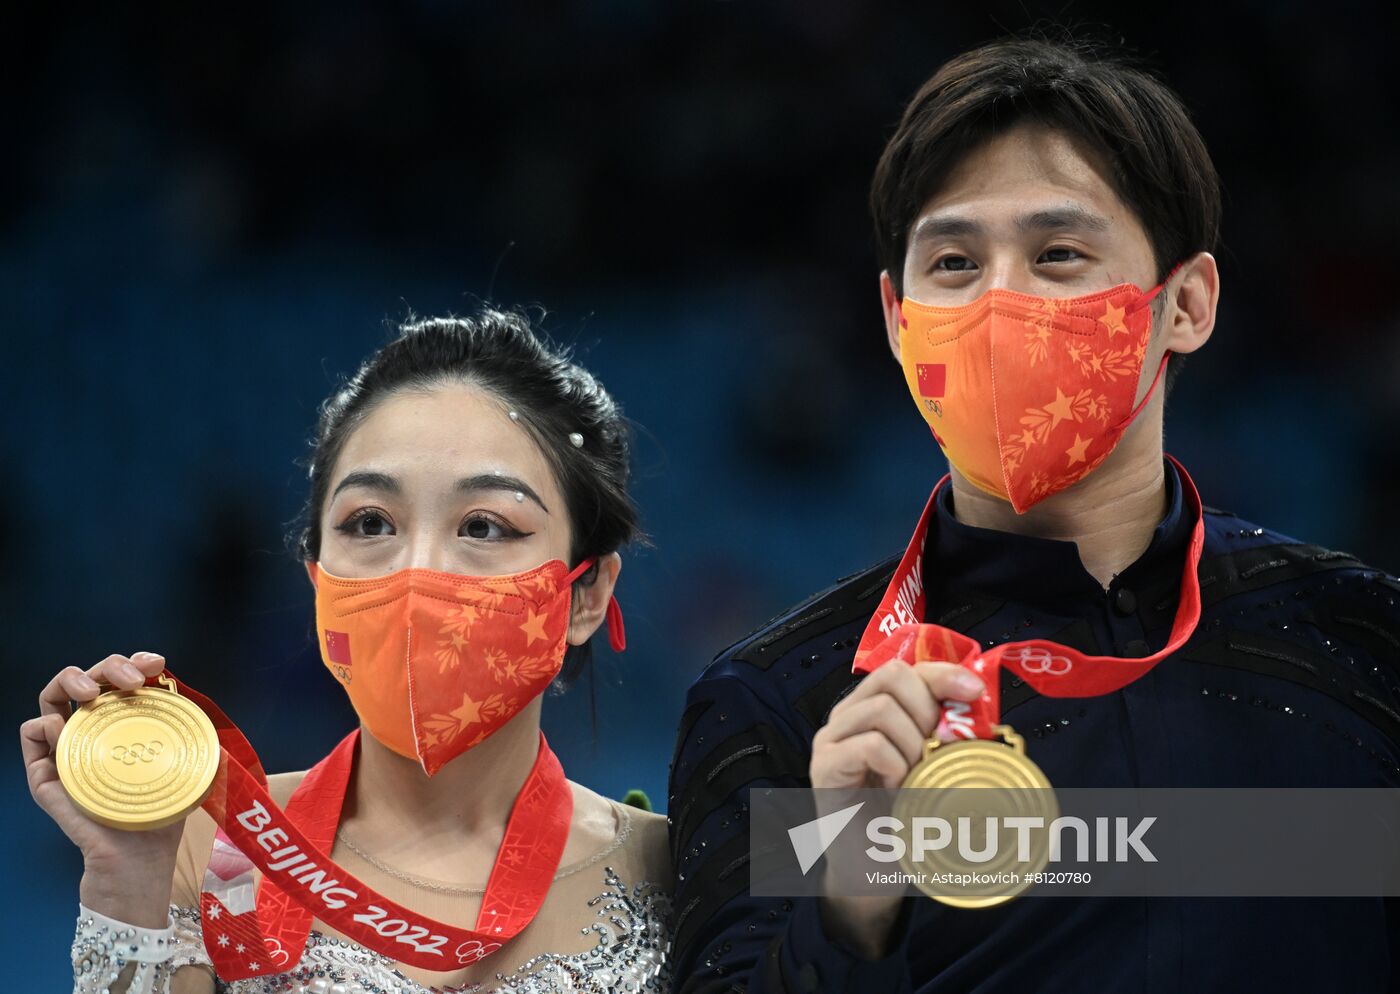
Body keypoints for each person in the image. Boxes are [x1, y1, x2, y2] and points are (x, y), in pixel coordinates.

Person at [668, 36, 1400, 992]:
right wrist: (851, 901)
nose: (1001, 300)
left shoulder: (1364, 642)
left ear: (1185, 304)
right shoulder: (785, 707)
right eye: (956, 262)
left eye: (1058, 255)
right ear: (898, 323)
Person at [23, 309, 673, 993]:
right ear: (317, 578)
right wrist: (128, 882)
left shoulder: (684, 861)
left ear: (588, 593)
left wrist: (804, 808)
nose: (416, 570)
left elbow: (800, 910)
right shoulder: (215, 852)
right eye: (370, 523)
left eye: (484, 525)